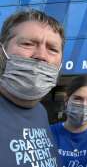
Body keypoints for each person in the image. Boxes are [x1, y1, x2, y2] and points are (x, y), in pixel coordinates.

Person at [0, 9, 64, 167]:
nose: (41, 55)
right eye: (27, 44)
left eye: (52, 49)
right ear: (2, 52)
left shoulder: (40, 111)